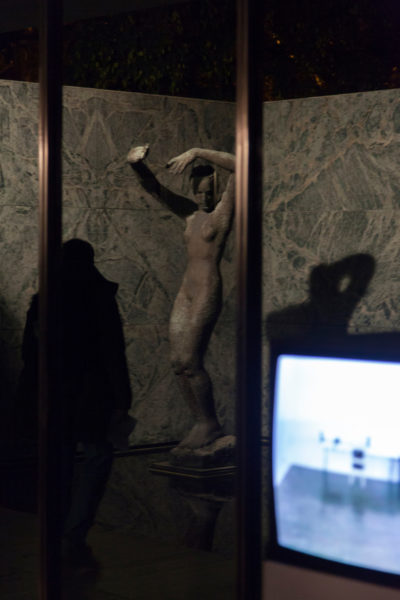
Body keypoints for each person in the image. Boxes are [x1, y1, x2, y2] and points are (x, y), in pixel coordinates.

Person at [19, 238, 133, 568]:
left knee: (61, 458)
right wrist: (122, 396)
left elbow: (29, 352)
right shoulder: (98, 297)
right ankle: (75, 530)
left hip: (57, 391)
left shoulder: (45, 299)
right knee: (97, 455)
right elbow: (112, 350)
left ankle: (57, 526)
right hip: (91, 391)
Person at [128, 145, 235, 450]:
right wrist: (136, 165)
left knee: (190, 359)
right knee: (178, 362)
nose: (203, 197)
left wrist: (197, 152)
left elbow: (239, 165)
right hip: (185, 291)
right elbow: (154, 188)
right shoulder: (189, 214)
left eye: (208, 192)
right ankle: (201, 423)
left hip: (206, 289)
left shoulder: (222, 213)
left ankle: (210, 423)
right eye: (198, 192)